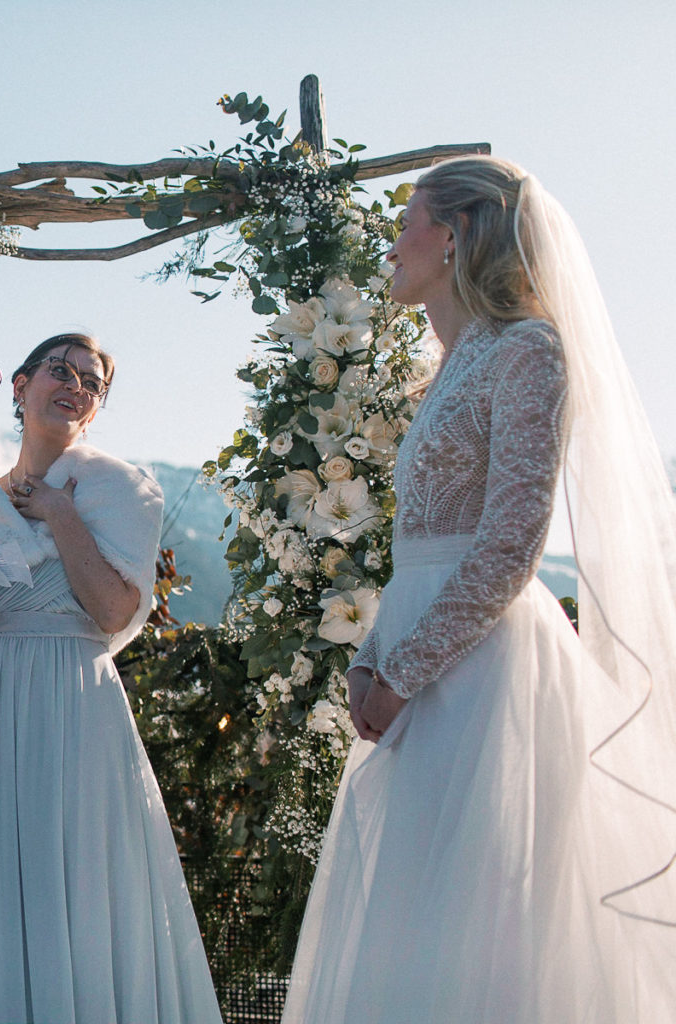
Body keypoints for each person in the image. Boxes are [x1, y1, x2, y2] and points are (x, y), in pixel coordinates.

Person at [282, 156, 676, 1022]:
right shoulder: (450, 365)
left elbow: (510, 544)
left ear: (453, 236)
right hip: (414, 654)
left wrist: (405, 668)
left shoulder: (527, 350)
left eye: (406, 223)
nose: (392, 246)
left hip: (481, 669)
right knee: (412, 916)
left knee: (480, 923)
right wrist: (373, 654)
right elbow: (418, 545)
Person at [0, 334, 223, 1024]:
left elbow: (113, 611)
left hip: (76, 698)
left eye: (90, 383)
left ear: (96, 407)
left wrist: (63, 517)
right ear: (19, 385)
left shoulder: (123, 490)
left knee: (74, 874)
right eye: (59, 372)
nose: (73, 386)